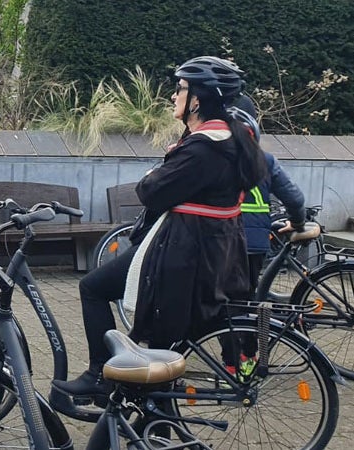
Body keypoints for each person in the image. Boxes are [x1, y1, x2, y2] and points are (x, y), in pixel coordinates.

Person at [52, 56, 268, 398]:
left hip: (185, 251)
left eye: (180, 88)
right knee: (166, 344)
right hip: (216, 248)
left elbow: (151, 191)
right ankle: (152, 421)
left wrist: (157, 173)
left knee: (94, 289)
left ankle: (100, 375)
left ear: (197, 98)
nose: (173, 96)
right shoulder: (235, 139)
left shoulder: (205, 148)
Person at [231, 94, 306, 293]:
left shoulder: (212, 156)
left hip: (223, 241)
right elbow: (295, 199)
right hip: (255, 243)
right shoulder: (266, 160)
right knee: (246, 300)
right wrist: (298, 223)